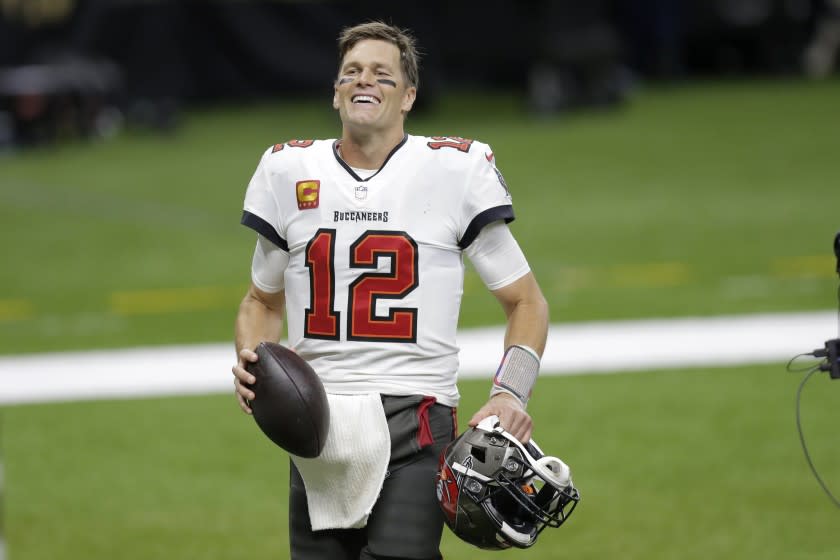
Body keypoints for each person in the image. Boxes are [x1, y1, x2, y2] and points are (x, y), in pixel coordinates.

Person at [231, 20, 549, 560]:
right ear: (335, 93)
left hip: (416, 418)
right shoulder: (287, 170)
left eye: (382, 73)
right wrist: (250, 355)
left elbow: (527, 301)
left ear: (408, 95)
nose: (365, 81)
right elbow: (260, 301)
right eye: (351, 72)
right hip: (315, 423)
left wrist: (509, 391)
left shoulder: (453, 169)